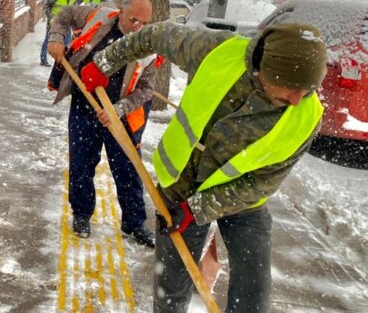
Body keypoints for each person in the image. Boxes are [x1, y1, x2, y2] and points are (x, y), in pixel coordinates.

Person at [81, 22, 327, 312]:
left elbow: (263, 182)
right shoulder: (218, 51)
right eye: (292, 88)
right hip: (182, 185)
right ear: (265, 69)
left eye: (307, 91)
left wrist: (198, 209)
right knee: (170, 287)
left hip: (242, 199)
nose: (298, 100)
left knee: (254, 287)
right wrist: (106, 61)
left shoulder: (307, 117)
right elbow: (155, 35)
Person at [47, 0, 158, 248]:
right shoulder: (97, 16)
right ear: (120, 11)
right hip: (84, 106)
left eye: (144, 22)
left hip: (119, 114)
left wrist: (118, 109)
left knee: (128, 167)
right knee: (82, 162)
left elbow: (146, 91)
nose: (138, 27)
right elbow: (64, 15)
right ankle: (82, 214)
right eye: (133, 20)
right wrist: (55, 38)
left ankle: (134, 223)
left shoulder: (148, 49)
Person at [41, 0, 77, 66]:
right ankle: (43, 59)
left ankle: (63, 62)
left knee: (67, 43)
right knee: (49, 40)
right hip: (55, 21)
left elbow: (74, 9)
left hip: (67, 23)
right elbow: (47, 7)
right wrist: (51, 18)